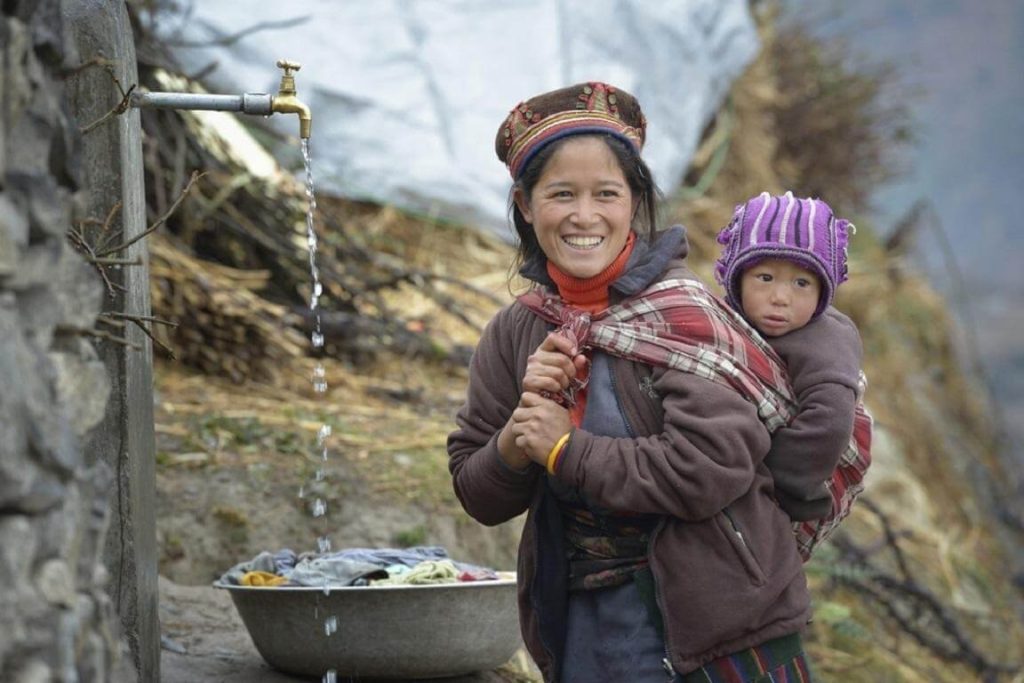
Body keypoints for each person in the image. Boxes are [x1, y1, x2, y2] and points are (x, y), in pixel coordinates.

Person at [448, 82, 815, 682]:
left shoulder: (683, 318)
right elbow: (476, 492)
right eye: (561, 194)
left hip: (722, 626)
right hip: (587, 625)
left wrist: (567, 450)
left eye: (607, 194)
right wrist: (518, 436)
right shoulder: (516, 333)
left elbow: (711, 469)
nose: (584, 216)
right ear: (524, 202)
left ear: (635, 201)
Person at [713, 191, 863, 523]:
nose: (781, 298)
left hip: (775, 501)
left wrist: (768, 481)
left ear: (824, 291)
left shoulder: (826, 342)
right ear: (736, 278)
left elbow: (830, 424)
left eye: (801, 283)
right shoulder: (719, 318)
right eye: (764, 278)